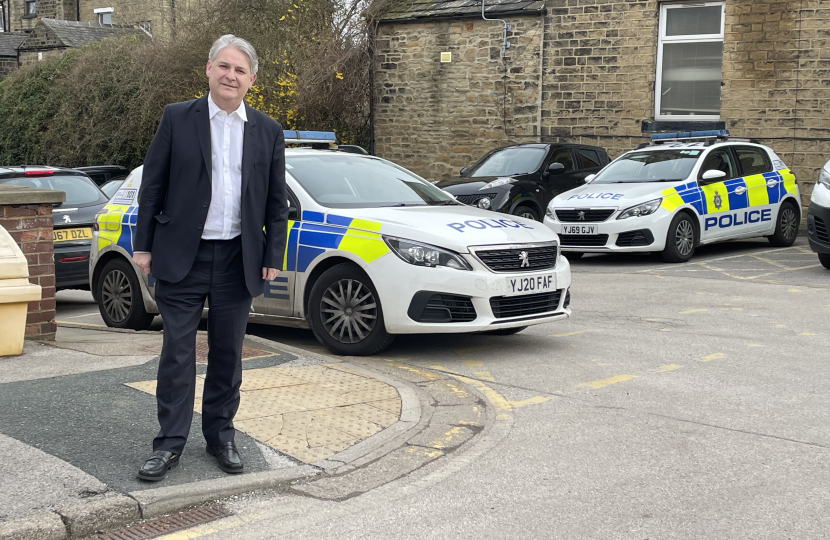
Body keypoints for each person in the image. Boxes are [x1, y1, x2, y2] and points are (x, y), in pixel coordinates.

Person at [133, 35, 288, 481]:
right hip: (182, 256)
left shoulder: (268, 130)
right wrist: (143, 246)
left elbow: (276, 202)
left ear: (252, 80)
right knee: (178, 354)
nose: (230, 76)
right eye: (224, 66)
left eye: (240, 70)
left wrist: (272, 253)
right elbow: (153, 187)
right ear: (208, 69)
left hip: (239, 257)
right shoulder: (178, 118)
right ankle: (168, 445)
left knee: (227, 355)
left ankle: (221, 437)